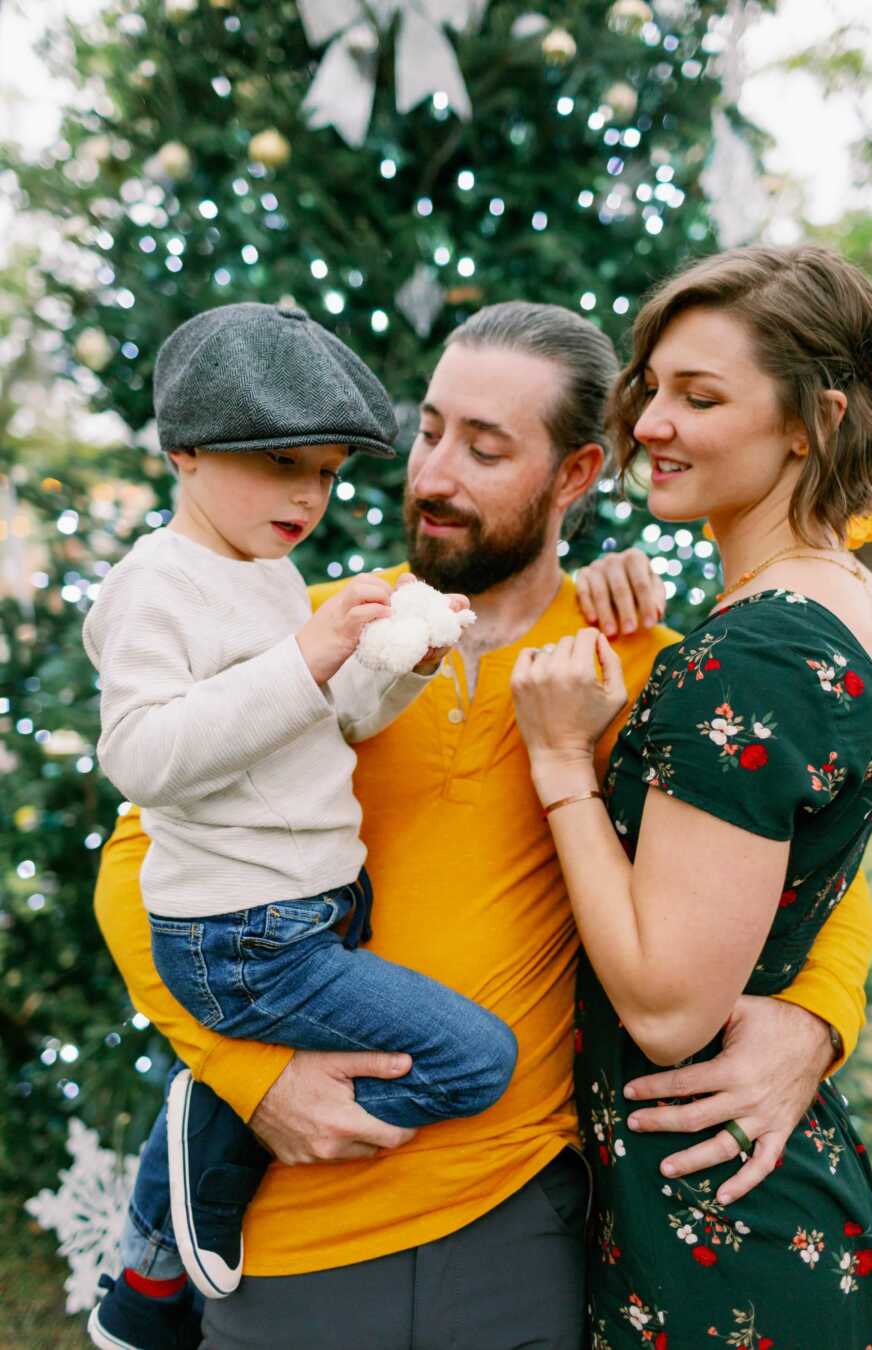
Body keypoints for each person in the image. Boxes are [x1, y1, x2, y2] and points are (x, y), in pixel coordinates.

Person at [94, 300, 872, 1350]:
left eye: (485, 447)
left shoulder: (638, 663)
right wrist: (250, 1083)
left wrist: (815, 1022)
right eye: (429, 431)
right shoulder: (318, 630)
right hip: (295, 1224)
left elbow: (813, 862)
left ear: (576, 474)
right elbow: (135, 863)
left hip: (522, 1223)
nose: (433, 476)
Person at [84, 301, 518, 1349]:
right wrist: (307, 655)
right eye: (281, 462)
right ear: (184, 450)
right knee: (477, 1060)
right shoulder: (156, 587)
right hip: (244, 935)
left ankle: (180, 1213)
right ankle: (215, 1142)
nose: (308, 496)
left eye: (324, 472)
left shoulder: (268, 574)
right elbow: (144, 758)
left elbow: (322, 727)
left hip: (310, 915)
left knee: (412, 1060)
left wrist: (396, 664)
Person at [511, 248, 872, 1348]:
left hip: (714, 1233)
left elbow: (669, 1008)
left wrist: (559, 764)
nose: (651, 424)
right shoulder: (847, 603)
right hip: (741, 1197)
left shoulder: (754, 654)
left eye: (701, 396)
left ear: (810, 423)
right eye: (651, 386)